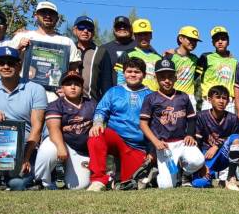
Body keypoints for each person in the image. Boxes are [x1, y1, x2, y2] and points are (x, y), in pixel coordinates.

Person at [0, 47, 47, 190]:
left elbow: (37, 127)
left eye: (11, 63)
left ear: (19, 65)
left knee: (16, 184)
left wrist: (25, 159)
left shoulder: (36, 89)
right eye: (1, 62)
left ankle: (25, 179)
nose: (6, 66)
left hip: (24, 149)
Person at [87, 57, 153, 191]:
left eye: (137, 72)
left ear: (144, 75)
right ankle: (98, 180)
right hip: (115, 138)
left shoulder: (151, 95)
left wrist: (151, 150)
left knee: (129, 182)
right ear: (123, 73)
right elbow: (101, 110)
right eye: (129, 71)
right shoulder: (114, 91)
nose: (133, 74)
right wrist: (98, 122)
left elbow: (155, 125)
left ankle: (115, 177)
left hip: (136, 146)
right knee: (96, 134)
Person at [139, 58, 204, 189]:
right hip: (165, 146)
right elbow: (143, 123)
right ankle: (157, 172)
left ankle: (185, 173)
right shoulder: (151, 98)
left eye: (170, 76)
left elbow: (191, 118)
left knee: (198, 161)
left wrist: (190, 134)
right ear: (156, 77)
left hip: (182, 141)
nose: (167, 80)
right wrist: (155, 142)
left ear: (175, 77)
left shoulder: (183, 96)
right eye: (162, 77)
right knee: (166, 186)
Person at [32, 71, 95, 189]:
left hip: (81, 150)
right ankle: (42, 182)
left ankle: (68, 174)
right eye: (68, 84)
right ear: (62, 88)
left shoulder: (91, 103)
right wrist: (61, 147)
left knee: (79, 186)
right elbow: (53, 128)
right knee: (48, 149)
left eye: (76, 84)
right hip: (62, 142)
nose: (72, 87)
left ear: (82, 87)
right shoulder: (55, 104)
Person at [13, 1, 81, 97]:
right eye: (43, 12)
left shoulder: (67, 42)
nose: (47, 16)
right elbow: (6, 66)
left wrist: (67, 89)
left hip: (55, 99)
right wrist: (19, 49)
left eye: (51, 13)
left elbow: (74, 71)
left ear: (57, 18)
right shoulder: (21, 37)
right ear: (36, 15)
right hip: (23, 95)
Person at [192, 85, 239, 191]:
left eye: (224, 98)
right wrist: (201, 164)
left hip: (223, 155)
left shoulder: (233, 118)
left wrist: (216, 146)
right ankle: (209, 177)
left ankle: (230, 178)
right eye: (218, 97)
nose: (221, 101)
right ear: (210, 100)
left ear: (228, 101)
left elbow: (235, 140)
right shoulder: (201, 116)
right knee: (199, 183)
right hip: (206, 156)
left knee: (236, 138)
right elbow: (197, 142)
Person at [89, 16, 136, 101]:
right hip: (111, 97)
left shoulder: (139, 47)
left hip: (136, 97)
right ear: (114, 29)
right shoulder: (103, 49)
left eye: (125, 26)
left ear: (131, 29)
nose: (122, 28)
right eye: (118, 26)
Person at [196, 26, 239, 113]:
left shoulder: (234, 61)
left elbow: (236, 83)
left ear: (228, 42)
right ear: (212, 42)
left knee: (228, 126)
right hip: (210, 100)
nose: (220, 42)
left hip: (228, 102)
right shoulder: (205, 57)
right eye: (216, 39)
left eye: (223, 39)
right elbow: (193, 75)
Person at [115, 18, 161, 92]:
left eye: (146, 34)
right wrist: (121, 94)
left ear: (151, 35)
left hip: (154, 97)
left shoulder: (159, 57)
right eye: (140, 34)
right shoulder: (127, 54)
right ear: (135, 36)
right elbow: (120, 78)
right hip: (133, 96)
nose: (143, 37)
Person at [168, 26, 201, 108]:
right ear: (181, 38)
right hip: (173, 95)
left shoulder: (196, 59)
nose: (193, 43)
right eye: (190, 39)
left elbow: (196, 76)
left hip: (189, 97)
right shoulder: (170, 56)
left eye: (195, 41)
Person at [72, 16, 96, 97]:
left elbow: (106, 82)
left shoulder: (101, 52)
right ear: (74, 30)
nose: (85, 31)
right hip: (68, 100)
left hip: (92, 102)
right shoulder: (68, 49)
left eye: (90, 28)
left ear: (93, 33)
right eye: (81, 27)